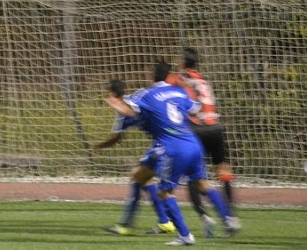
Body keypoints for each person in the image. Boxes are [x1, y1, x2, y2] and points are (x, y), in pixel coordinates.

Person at [105, 61, 240, 246]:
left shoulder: (146, 94)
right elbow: (196, 109)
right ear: (169, 76)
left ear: (152, 75)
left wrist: (115, 103)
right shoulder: (179, 91)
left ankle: (183, 234)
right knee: (199, 183)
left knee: (164, 191)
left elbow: (128, 110)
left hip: (171, 146)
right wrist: (184, 88)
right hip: (193, 143)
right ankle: (228, 218)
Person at [167, 47, 236, 237]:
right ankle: (230, 216)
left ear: (182, 62)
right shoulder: (204, 79)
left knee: (194, 176)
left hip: (197, 129)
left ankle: (205, 218)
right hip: (215, 127)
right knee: (224, 171)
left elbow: (166, 94)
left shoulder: (177, 78)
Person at [97, 79, 176, 236]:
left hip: (165, 143)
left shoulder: (125, 110)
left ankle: (132, 225)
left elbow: (116, 138)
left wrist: (100, 146)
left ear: (112, 94)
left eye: (107, 93)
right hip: (165, 141)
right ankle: (164, 222)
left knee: (145, 181)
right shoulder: (136, 97)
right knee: (142, 179)